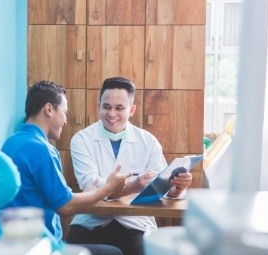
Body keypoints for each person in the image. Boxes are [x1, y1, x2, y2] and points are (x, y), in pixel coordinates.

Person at [65, 77, 193, 255]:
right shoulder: (82, 139)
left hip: (135, 223)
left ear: (131, 110)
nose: (111, 114)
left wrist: (178, 187)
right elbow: (90, 186)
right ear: (98, 106)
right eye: (106, 107)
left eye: (119, 108)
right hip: (91, 221)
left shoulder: (147, 141)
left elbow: (162, 188)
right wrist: (133, 186)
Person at [1, 80, 132, 254]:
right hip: (41, 246)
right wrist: (108, 188)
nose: (65, 121)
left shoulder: (12, 142)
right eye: (64, 112)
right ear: (49, 109)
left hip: (15, 242)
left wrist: (87, 195)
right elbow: (65, 208)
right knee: (113, 253)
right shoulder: (42, 149)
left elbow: (52, 197)